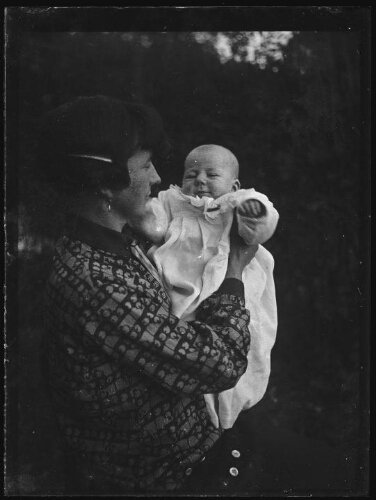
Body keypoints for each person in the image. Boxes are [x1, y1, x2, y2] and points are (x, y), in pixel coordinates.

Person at [37, 95, 258, 494]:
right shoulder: (95, 281)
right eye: (144, 165)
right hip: (169, 476)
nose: (158, 177)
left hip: (192, 444)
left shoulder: (117, 239)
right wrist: (236, 269)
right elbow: (221, 364)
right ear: (105, 182)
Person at [145, 144, 279, 430]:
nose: (200, 181)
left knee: (247, 338)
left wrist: (254, 214)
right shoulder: (172, 201)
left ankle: (231, 408)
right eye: (191, 174)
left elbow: (264, 222)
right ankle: (203, 412)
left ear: (234, 184)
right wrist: (147, 220)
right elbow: (151, 221)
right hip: (180, 292)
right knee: (192, 355)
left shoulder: (238, 202)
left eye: (211, 174)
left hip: (228, 285)